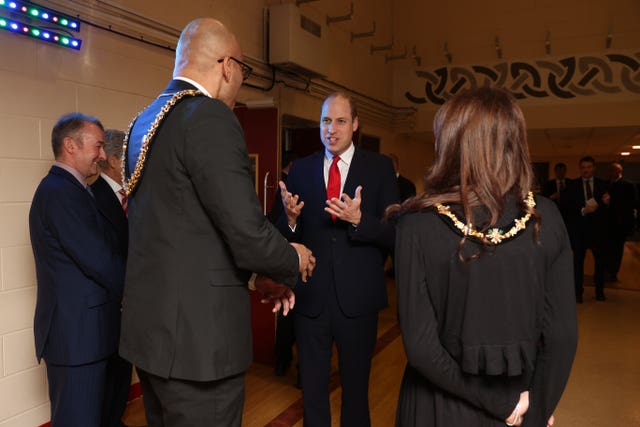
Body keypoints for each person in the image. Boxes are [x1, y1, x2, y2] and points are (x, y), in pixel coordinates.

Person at [119, 18, 315, 427]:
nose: (241, 80)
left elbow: (186, 236)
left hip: (153, 340)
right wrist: (293, 258)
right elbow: (245, 231)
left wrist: (256, 279)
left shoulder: (145, 121)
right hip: (198, 347)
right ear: (227, 66)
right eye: (244, 70)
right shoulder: (208, 116)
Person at [388, 87, 577, 427]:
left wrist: (503, 405)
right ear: (514, 142)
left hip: (437, 408)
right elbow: (562, 337)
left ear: (449, 144)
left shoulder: (414, 224)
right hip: (521, 403)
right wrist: (531, 412)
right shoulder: (545, 218)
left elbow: (421, 347)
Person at [276, 91, 399, 426]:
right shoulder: (300, 170)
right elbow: (280, 236)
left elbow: (395, 233)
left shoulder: (379, 168)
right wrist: (289, 219)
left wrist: (360, 221)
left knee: (356, 394)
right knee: (312, 393)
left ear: (355, 124)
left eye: (340, 121)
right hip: (310, 299)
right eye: (326, 121)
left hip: (358, 303)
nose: (332, 129)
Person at [29, 113, 127, 426]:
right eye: (97, 146)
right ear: (70, 146)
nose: (102, 155)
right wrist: (142, 289)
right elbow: (99, 259)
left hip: (87, 336)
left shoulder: (72, 190)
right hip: (77, 339)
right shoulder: (60, 193)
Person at [89, 129, 133, 427]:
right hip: (109, 303)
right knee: (108, 375)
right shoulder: (94, 197)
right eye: (130, 157)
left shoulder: (133, 196)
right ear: (116, 161)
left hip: (132, 304)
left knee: (123, 369)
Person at [268, 150, 299, 378]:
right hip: (288, 262)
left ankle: (291, 367)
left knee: (294, 320)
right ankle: (283, 363)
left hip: (300, 264)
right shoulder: (285, 191)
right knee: (289, 319)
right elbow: (275, 225)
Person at [560, 156, 608, 302]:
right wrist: (583, 210)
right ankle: (577, 293)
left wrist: (606, 203)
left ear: (594, 168)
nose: (586, 170)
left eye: (589, 167)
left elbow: (610, 211)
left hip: (598, 230)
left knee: (600, 262)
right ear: (580, 169)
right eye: (583, 167)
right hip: (579, 230)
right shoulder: (571, 185)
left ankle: (599, 291)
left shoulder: (604, 185)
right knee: (578, 263)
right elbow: (565, 207)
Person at [602, 162, 636, 281]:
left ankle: (612, 273)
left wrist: (612, 202)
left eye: (613, 170)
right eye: (610, 170)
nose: (611, 173)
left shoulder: (628, 185)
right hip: (606, 224)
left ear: (619, 171)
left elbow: (632, 203)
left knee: (616, 250)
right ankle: (606, 270)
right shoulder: (605, 184)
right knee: (606, 248)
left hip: (620, 224)